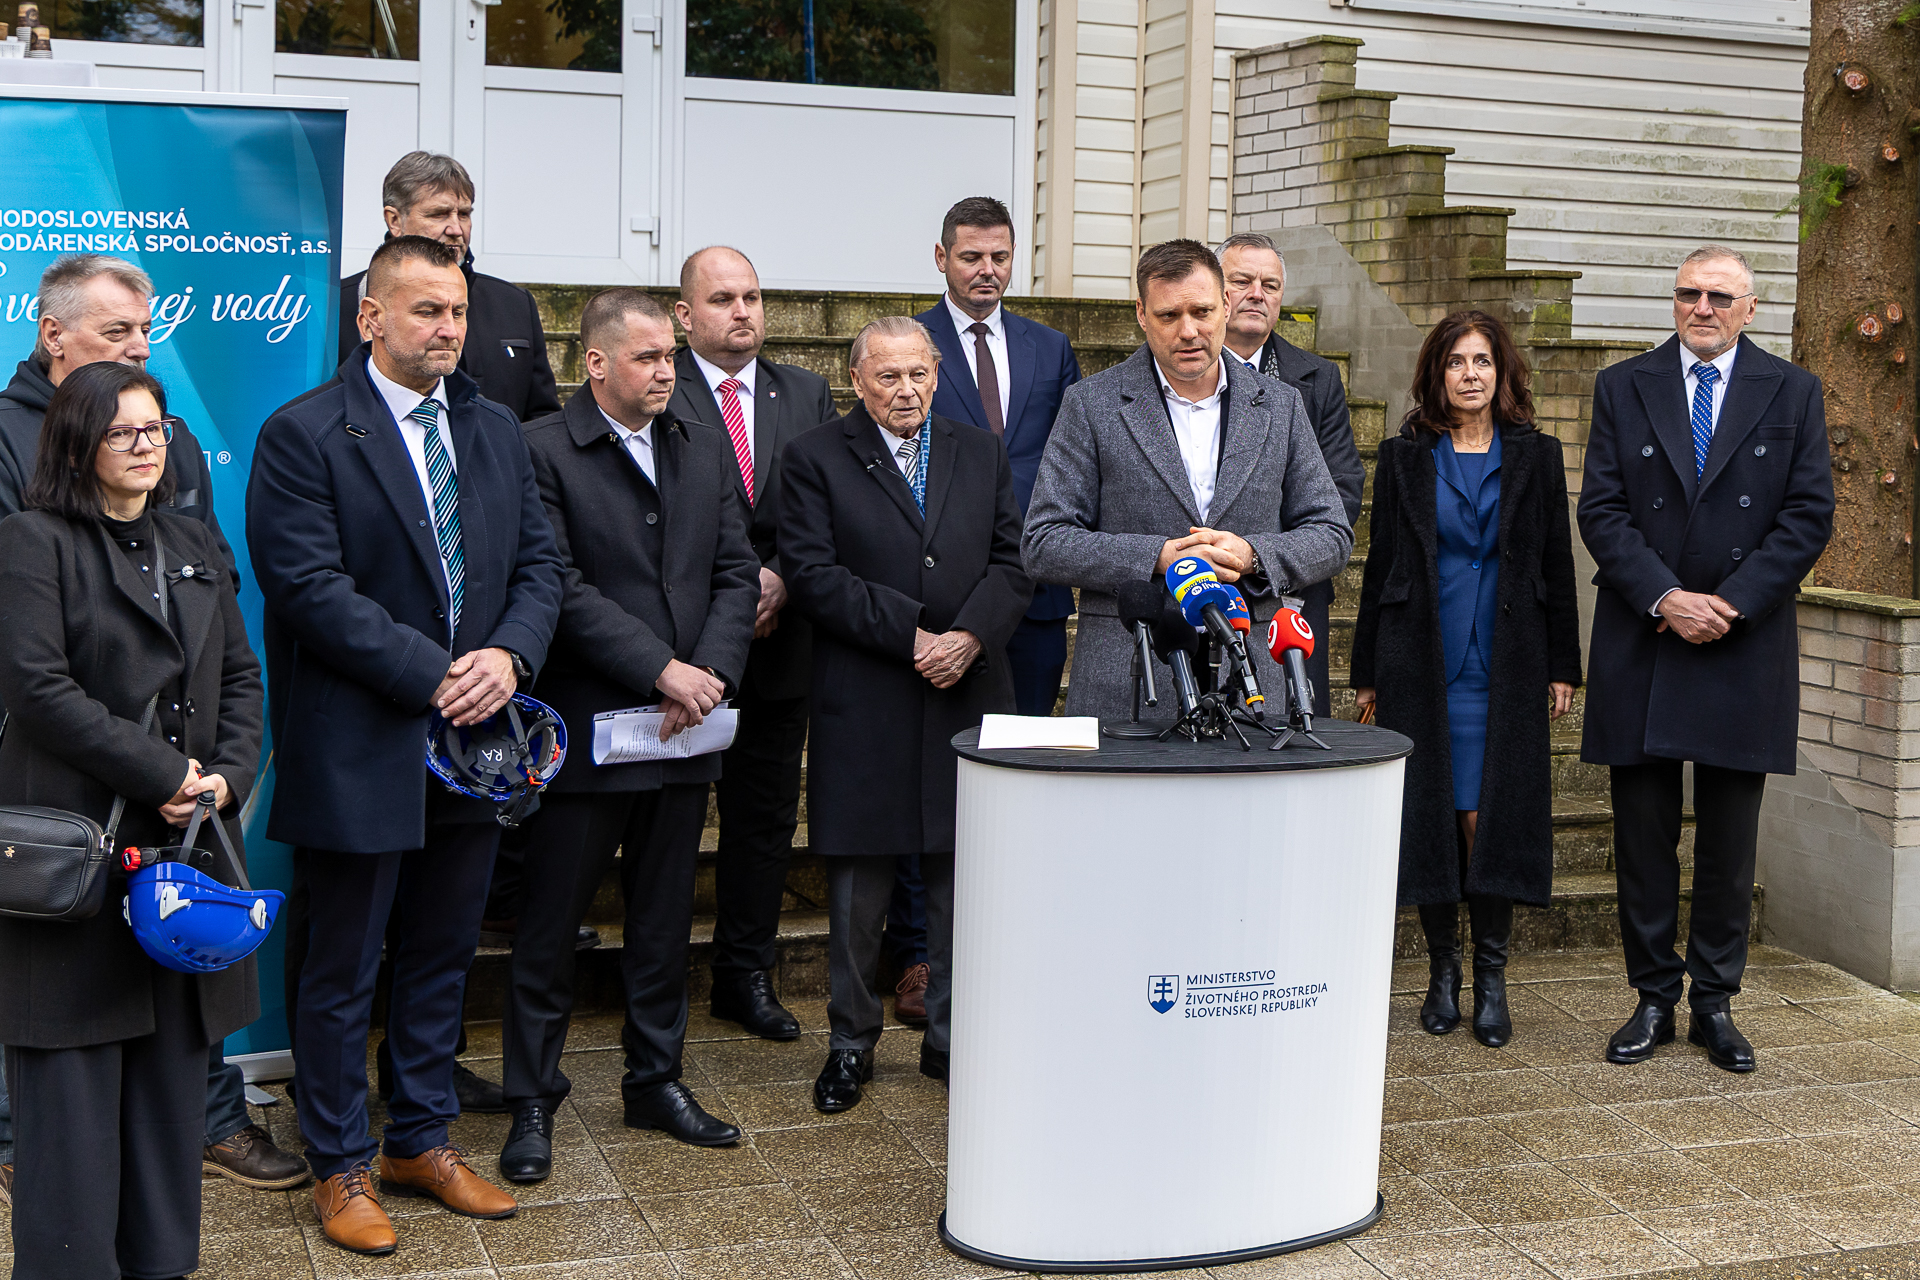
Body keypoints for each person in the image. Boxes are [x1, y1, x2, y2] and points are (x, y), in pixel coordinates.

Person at [248, 234, 563, 1254]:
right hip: (360, 742)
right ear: (371, 316)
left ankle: (419, 1139)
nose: (449, 328)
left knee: (441, 951)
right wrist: (437, 670)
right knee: (343, 967)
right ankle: (339, 1160)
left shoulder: (495, 427)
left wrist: (508, 655)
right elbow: (308, 587)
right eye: (427, 309)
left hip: (474, 747)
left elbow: (543, 565)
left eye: (458, 311)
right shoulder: (304, 433)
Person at [0, 255, 303, 1196]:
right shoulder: (14, 462)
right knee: (64, 1042)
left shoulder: (173, 444)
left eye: (144, 331)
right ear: (54, 335)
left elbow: (220, 629)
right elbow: (37, 658)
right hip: (64, 784)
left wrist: (218, 776)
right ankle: (21, 1149)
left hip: (183, 789)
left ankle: (208, 1123)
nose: (139, 346)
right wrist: (156, 767)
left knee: (179, 1003)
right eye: (117, 331)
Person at [499, 289, 759, 1181]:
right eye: (647, 357)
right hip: (587, 731)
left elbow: (736, 570)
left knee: (663, 920)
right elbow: (557, 585)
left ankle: (656, 1081)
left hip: (685, 730)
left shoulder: (701, 442)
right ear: (596, 362)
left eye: (670, 357)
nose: (665, 372)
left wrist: (708, 673)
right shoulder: (540, 448)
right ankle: (532, 1097)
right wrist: (660, 669)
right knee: (550, 925)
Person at [1579, 245, 1833, 1073]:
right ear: (1674, 300)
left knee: (1729, 839)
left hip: (1741, 638)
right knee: (1642, 836)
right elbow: (1602, 509)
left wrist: (1729, 602)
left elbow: (1808, 513)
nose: (1703, 308)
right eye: (1690, 293)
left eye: (1721, 297)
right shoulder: (1623, 385)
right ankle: (1653, 997)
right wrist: (1666, 596)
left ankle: (1715, 1004)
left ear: (1750, 309)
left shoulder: (1793, 390)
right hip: (1646, 632)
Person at [778, 316, 1031, 1114]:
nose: (906, 390)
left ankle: (949, 1039)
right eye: (888, 376)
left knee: (962, 883)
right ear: (856, 380)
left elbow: (1012, 562)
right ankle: (851, 1044)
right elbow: (811, 574)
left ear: (936, 371)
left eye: (918, 373)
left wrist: (969, 636)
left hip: (966, 692)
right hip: (868, 699)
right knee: (860, 895)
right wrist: (911, 635)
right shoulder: (813, 457)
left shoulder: (980, 450)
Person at [1351, 311, 1581, 1048]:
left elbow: (1556, 562)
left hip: (1505, 662)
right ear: (1437, 374)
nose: (1471, 374)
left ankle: (1492, 977)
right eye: (1457, 362)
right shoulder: (1405, 456)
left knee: (1489, 818)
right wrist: (1366, 673)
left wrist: (1563, 664)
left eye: (1482, 361)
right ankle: (1442, 972)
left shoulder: (1538, 455)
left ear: (1501, 372)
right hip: (1421, 658)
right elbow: (1381, 564)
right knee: (1434, 814)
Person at [1022, 239, 1352, 718]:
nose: (1189, 331)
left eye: (1202, 311)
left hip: (1252, 679)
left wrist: (1253, 555)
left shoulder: (1281, 405)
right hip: (1130, 679)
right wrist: (1157, 557)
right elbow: (1043, 541)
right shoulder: (1090, 404)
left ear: (1226, 306)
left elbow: (1332, 533)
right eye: (1168, 315)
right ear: (1141, 314)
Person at [667, 246, 838, 1042]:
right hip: (685, 649)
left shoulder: (803, 391)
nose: (743, 311)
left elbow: (827, 506)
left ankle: (745, 975)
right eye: (723, 299)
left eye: (753, 297)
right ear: (684, 315)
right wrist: (738, 591)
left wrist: (781, 578)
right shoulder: (657, 385)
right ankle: (657, 985)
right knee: (665, 827)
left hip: (780, 643)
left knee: (764, 822)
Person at [1217, 232, 1365, 717]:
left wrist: (1264, 556)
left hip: (1291, 594)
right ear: (1216, 290)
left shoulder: (1317, 378)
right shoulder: (1182, 372)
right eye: (1242, 281)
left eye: (1270, 285)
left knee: (1292, 732)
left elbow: (1341, 487)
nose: (1256, 294)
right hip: (1199, 589)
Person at [338, 152, 560, 424]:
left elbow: (542, 420)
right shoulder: (336, 306)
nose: (456, 228)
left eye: (464, 214)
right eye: (438, 214)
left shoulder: (514, 304)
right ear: (394, 220)